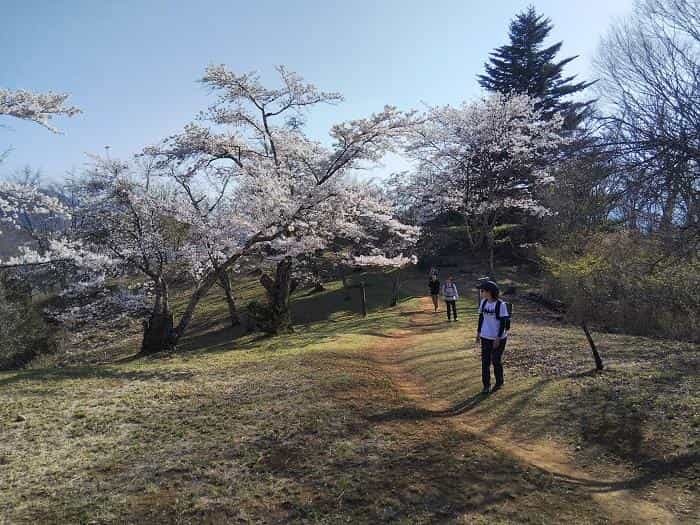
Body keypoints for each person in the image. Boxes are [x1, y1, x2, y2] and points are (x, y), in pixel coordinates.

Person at [475, 280, 509, 394]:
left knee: (495, 360)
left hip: (498, 338)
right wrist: (478, 333)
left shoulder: (501, 305)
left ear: (489, 292)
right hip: (485, 337)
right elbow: (481, 318)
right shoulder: (483, 302)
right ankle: (486, 385)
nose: (481, 292)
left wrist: (498, 338)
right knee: (485, 362)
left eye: (482, 290)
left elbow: (503, 323)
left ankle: (499, 382)